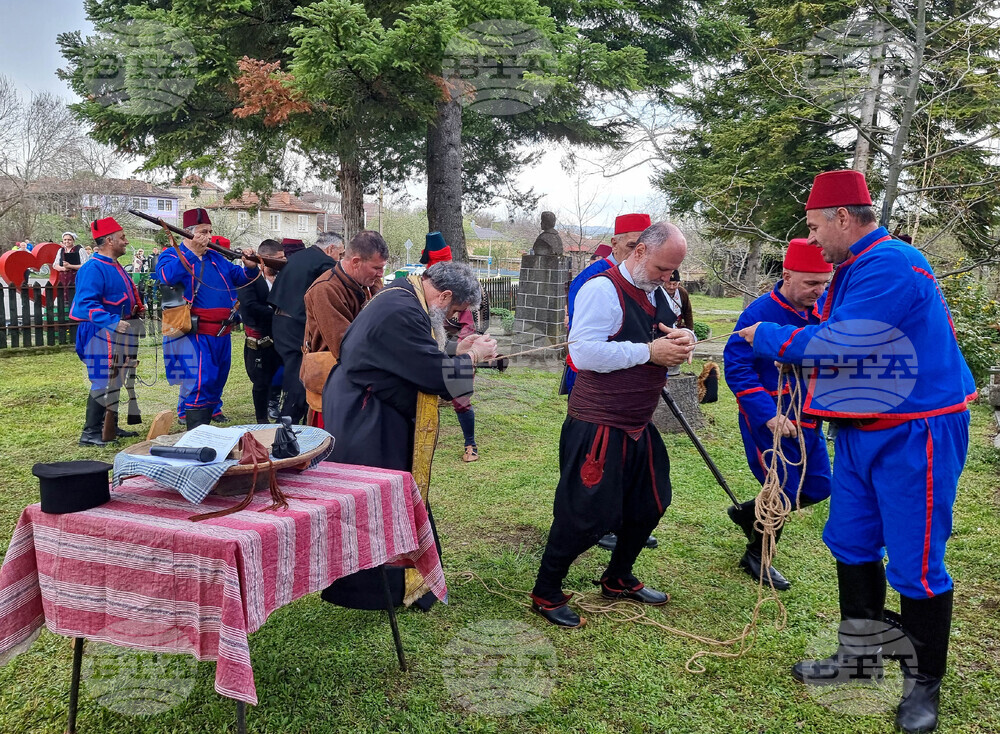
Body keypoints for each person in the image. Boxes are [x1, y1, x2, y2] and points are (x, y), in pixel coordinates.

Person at [738, 170, 977, 734]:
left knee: (917, 561)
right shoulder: (856, 266)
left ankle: (923, 688)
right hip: (859, 429)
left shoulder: (892, 263)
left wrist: (762, 338)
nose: (814, 240)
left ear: (844, 218)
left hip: (915, 431)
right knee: (850, 541)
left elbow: (842, 343)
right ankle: (860, 658)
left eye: (818, 226)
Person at [530, 222, 696, 628]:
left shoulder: (656, 293)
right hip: (598, 422)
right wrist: (649, 352)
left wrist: (682, 338)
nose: (666, 278)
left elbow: (660, 335)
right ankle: (546, 590)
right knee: (583, 514)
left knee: (651, 502)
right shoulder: (601, 289)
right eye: (661, 268)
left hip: (638, 420)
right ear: (638, 252)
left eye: (672, 271)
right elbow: (583, 353)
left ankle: (617, 576)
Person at [320, 261, 497, 610]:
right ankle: (375, 591)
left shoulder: (403, 297)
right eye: (455, 311)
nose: (451, 319)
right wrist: (473, 356)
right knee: (379, 503)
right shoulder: (403, 309)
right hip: (369, 417)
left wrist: (457, 353)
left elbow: (413, 358)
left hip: (369, 407)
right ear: (443, 295)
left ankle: (408, 584)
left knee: (393, 499)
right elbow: (432, 375)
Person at [723, 238, 834, 590]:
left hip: (808, 415)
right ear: (786, 275)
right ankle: (757, 554)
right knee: (782, 488)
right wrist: (767, 413)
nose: (819, 291)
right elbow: (737, 365)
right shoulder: (758, 313)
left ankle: (748, 513)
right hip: (773, 419)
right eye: (811, 283)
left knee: (818, 486)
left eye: (824, 284)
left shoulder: (825, 310)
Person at [561, 213, 660, 553]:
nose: (638, 253)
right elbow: (586, 342)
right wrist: (647, 351)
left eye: (644, 246)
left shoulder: (647, 281)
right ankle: (598, 523)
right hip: (595, 386)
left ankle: (621, 523)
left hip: (633, 398)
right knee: (589, 471)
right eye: (632, 245)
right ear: (616, 243)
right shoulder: (595, 281)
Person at [155, 207, 259, 429]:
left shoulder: (215, 257)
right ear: (188, 233)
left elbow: (237, 276)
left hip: (222, 333)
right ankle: (196, 431)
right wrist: (192, 253)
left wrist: (250, 268)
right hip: (196, 332)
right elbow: (166, 277)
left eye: (210, 231)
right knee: (200, 381)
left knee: (217, 379)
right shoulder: (172, 254)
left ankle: (208, 423)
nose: (209, 237)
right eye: (203, 231)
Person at [70, 218, 145, 446]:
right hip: (99, 332)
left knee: (116, 377)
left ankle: (108, 425)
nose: (126, 241)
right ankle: (90, 432)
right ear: (109, 240)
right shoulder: (93, 267)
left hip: (119, 332)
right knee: (102, 380)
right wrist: (112, 321)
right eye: (122, 237)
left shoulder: (114, 264)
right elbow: (85, 305)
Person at [302, 230, 387, 426]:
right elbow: (346, 347)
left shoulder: (368, 282)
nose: (381, 274)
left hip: (356, 383)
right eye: (376, 268)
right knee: (332, 450)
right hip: (333, 386)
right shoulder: (325, 289)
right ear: (356, 262)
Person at [268, 232, 341, 423]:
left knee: (294, 373)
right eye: (339, 254)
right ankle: (286, 427)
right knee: (300, 378)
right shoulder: (324, 262)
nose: (339, 259)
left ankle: (288, 421)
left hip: (280, 322)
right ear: (330, 248)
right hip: (294, 325)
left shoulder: (299, 256)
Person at [238, 239, 284, 423]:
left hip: (281, 337)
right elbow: (249, 305)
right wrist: (278, 313)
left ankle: (279, 407)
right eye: (278, 258)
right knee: (261, 382)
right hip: (260, 338)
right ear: (265, 258)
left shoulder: (283, 277)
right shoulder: (250, 278)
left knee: (282, 375)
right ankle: (261, 420)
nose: (282, 261)